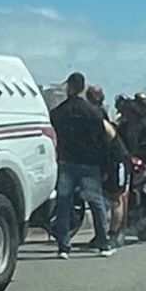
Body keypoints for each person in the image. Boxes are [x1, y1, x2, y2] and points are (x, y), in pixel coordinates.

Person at [49, 72, 114, 258]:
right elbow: (103, 141)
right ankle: (103, 243)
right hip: (90, 164)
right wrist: (105, 165)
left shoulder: (58, 113)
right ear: (83, 88)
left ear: (69, 86)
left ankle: (63, 246)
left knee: (63, 205)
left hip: (67, 163)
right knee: (96, 204)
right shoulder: (93, 113)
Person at [88, 86, 130, 245]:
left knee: (116, 197)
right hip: (103, 161)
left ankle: (113, 233)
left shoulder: (98, 116)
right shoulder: (94, 114)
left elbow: (108, 140)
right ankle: (102, 233)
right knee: (100, 198)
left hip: (117, 158)